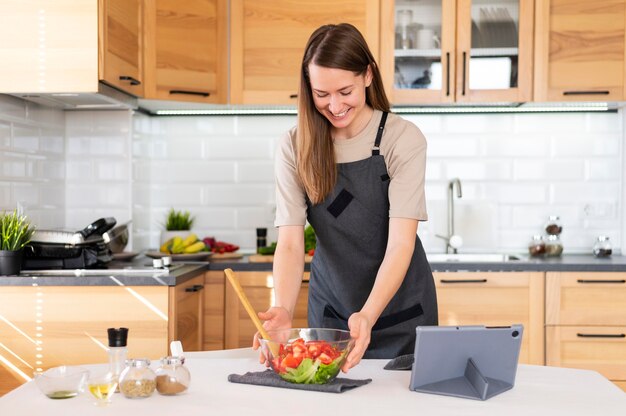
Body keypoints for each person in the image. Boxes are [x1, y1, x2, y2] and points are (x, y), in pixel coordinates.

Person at [253, 23, 438, 372]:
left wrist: (368, 315)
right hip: (330, 312)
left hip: (402, 313)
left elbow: (401, 244)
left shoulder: (402, 139)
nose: (334, 105)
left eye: (345, 91)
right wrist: (283, 308)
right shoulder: (294, 146)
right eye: (322, 94)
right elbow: (291, 243)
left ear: (367, 75)